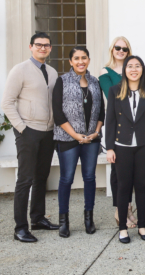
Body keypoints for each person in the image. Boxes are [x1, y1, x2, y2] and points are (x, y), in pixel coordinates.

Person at [3, 32, 59, 242]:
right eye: (38, 45)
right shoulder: (20, 70)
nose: (42, 48)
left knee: (41, 177)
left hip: (48, 132)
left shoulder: (52, 72)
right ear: (31, 47)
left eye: (46, 45)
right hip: (28, 131)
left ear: (50, 48)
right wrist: (21, 128)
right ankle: (20, 228)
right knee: (25, 179)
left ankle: (38, 218)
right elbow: (7, 102)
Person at [105, 55, 145, 244]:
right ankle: (123, 229)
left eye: (137, 66)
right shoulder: (115, 91)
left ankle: (142, 226)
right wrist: (110, 148)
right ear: (125, 70)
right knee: (123, 187)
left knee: (142, 187)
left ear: (142, 70)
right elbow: (110, 121)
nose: (134, 69)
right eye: (130, 66)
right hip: (122, 146)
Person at [52, 47, 105, 238]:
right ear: (70, 62)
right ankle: (63, 222)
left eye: (84, 58)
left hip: (91, 139)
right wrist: (76, 135)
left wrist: (96, 132)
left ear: (88, 60)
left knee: (89, 178)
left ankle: (89, 219)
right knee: (66, 179)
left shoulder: (94, 82)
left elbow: (101, 112)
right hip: (68, 139)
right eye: (76, 58)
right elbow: (57, 113)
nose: (80, 61)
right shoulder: (62, 81)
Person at [99, 36, 137, 229]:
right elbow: (113, 95)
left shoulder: (133, 70)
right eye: (118, 48)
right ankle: (120, 208)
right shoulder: (105, 72)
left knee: (131, 171)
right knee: (118, 172)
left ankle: (128, 207)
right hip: (118, 126)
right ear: (112, 50)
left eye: (125, 48)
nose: (121, 51)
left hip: (135, 127)